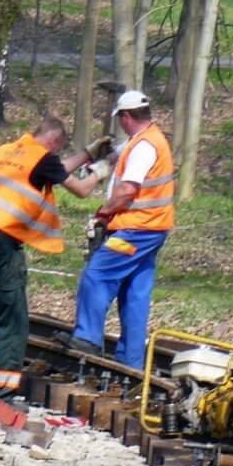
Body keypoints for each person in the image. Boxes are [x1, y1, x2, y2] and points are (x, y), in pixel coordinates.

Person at [0, 116, 113, 396]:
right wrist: (101, 170)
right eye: (59, 148)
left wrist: (87, 154)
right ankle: (1, 387)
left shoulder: (10, 151)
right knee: (12, 314)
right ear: (54, 142)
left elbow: (53, 170)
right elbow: (80, 189)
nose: (56, 153)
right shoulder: (42, 157)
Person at [65, 89, 175, 369]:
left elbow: (127, 191)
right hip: (152, 230)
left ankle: (87, 338)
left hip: (135, 230)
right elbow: (118, 154)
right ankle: (131, 363)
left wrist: (103, 213)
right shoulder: (148, 139)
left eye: (120, 119)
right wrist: (98, 156)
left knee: (97, 274)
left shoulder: (143, 148)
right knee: (134, 293)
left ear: (126, 117)